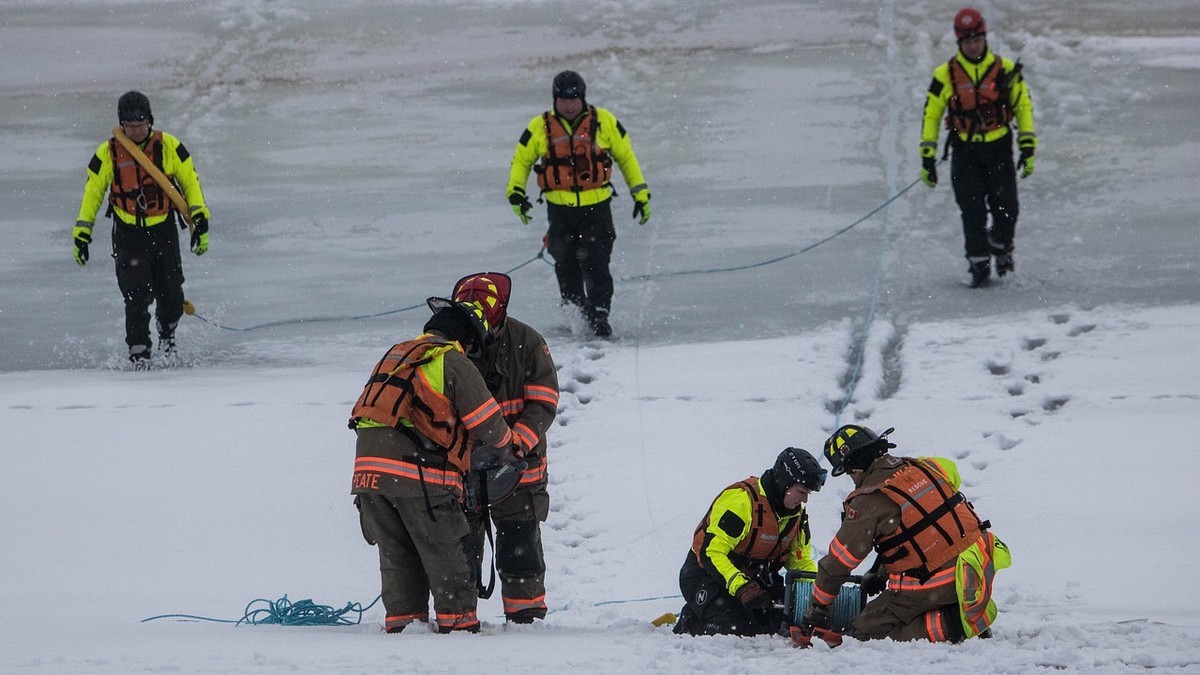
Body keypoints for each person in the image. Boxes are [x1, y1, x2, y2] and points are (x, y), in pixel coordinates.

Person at [349, 298, 523, 635]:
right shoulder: (450, 360)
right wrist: (510, 446)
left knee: (397, 556)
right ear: (466, 339)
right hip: (416, 474)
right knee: (447, 554)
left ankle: (404, 627)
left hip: (368, 476)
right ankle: (458, 629)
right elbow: (487, 423)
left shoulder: (397, 354)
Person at [794, 424, 1011, 647]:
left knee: (864, 631)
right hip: (979, 563)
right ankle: (965, 607)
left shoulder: (869, 499)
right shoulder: (928, 466)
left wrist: (817, 609)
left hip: (942, 580)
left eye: (849, 473)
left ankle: (953, 624)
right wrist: (880, 573)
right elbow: (920, 528)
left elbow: (838, 563)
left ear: (855, 468)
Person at [506, 70, 652, 338]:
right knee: (566, 264)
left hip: (597, 209)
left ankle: (600, 314)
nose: (569, 105)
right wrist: (516, 192)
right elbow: (521, 160)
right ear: (555, 99)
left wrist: (640, 193)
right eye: (563, 99)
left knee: (597, 263)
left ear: (582, 98)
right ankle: (577, 312)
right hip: (559, 212)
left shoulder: (605, 121)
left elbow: (626, 157)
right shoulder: (539, 126)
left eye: (574, 99)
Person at [450, 273, 560, 624]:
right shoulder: (449, 346)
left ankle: (526, 617)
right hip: (464, 469)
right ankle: (459, 618)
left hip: (519, 469)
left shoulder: (528, 342)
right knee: (460, 550)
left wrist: (516, 444)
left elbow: (544, 402)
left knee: (520, 545)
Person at [73, 91, 211, 364]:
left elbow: (190, 182)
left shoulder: (169, 146)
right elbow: (93, 192)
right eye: (131, 125)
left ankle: (167, 333)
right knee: (136, 297)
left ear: (150, 121)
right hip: (129, 235)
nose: (137, 130)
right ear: (122, 124)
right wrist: (82, 232)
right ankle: (139, 353)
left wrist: (200, 218)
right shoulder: (107, 153)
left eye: (142, 124)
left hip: (163, 231)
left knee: (171, 296)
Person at [919, 8, 1037, 288]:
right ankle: (979, 263)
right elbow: (931, 114)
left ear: (985, 38)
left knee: (1007, 208)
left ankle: (1001, 245)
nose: (973, 46)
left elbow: (1023, 106)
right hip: (965, 151)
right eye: (967, 41)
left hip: (999, 148)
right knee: (971, 211)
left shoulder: (1006, 69)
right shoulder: (944, 75)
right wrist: (927, 155)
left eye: (977, 40)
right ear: (959, 42)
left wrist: (1028, 145)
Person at [673, 447, 827, 637]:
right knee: (739, 628)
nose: (804, 500)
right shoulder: (741, 503)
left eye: (807, 494)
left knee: (783, 621)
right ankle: (691, 619)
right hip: (705, 575)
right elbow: (711, 553)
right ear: (784, 483)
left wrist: (816, 597)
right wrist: (741, 586)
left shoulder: (797, 517)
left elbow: (800, 563)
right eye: (801, 492)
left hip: (755, 578)